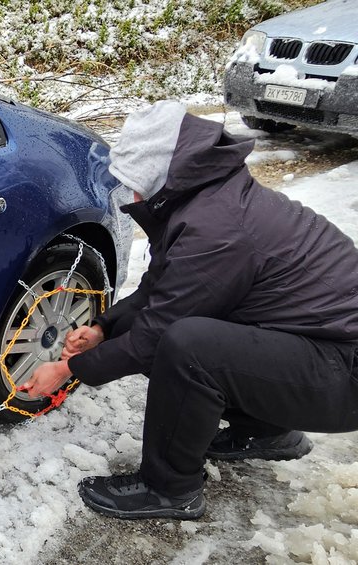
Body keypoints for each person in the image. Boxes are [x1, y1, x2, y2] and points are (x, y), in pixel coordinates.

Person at [18, 100, 358, 520]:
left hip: (343, 374)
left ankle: (169, 489)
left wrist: (71, 368)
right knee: (187, 332)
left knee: (187, 347)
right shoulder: (208, 199)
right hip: (319, 350)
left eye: (137, 183)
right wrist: (105, 328)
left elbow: (158, 333)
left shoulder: (216, 229)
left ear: (165, 174)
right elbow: (161, 290)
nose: (133, 196)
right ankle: (268, 431)